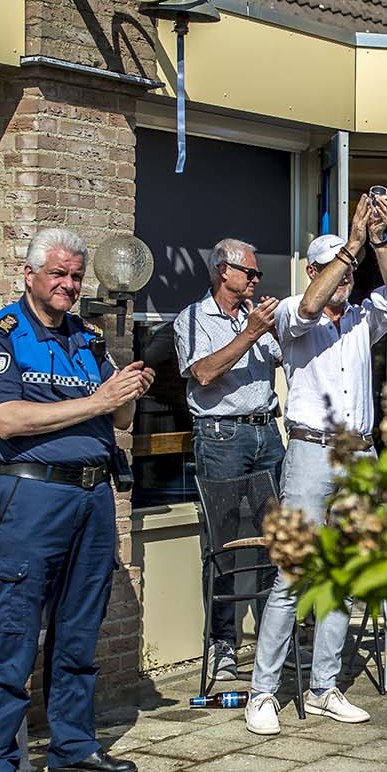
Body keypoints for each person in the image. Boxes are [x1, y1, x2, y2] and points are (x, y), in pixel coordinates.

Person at [0, 228, 155, 772]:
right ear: (30, 275)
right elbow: (9, 420)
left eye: (75, 276)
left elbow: (120, 419)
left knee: (79, 629)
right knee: (13, 631)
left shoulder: (87, 339)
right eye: (58, 274)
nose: (69, 285)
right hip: (30, 498)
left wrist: (126, 390)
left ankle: (73, 745)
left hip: (92, 497)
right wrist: (98, 401)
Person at [246, 190, 387, 736]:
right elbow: (309, 308)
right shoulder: (293, 311)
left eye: (350, 270)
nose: (348, 277)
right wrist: (352, 244)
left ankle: (323, 688)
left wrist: (378, 240)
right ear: (314, 270)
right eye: (337, 268)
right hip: (311, 451)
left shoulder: (363, 317)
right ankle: (262, 692)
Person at [154, 238, 283, 682]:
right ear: (223, 271)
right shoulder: (193, 318)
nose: (256, 280)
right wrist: (250, 334)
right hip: (222, 434)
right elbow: (204, 373)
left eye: (257, 273)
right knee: (223, 540)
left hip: (267, 430)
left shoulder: (255, 316)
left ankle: (273, 637)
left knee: (276, 538)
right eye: (250, 272)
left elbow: (286, 358)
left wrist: (273, 329)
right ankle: (222, 643)